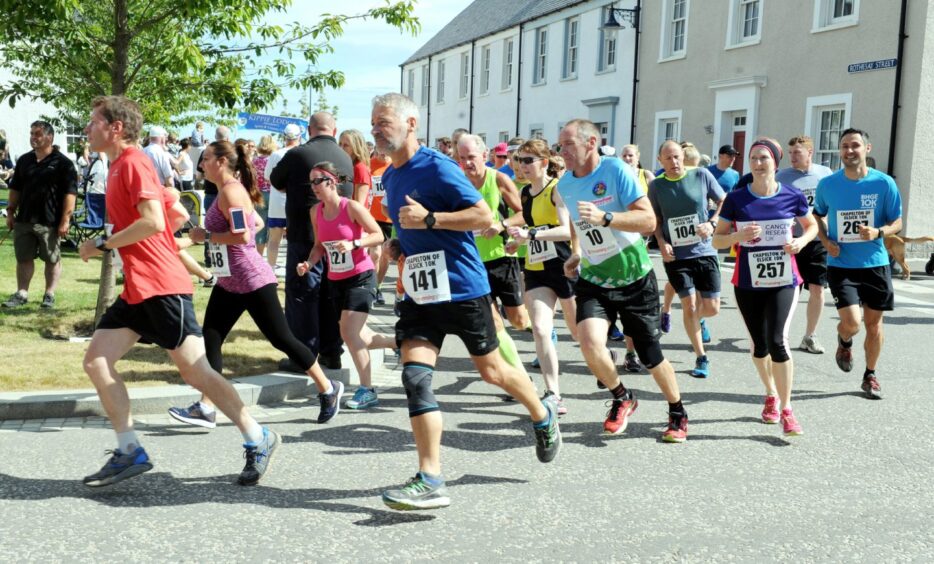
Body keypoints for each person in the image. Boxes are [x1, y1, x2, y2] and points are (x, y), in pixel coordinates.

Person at [77, 95, 279, 487]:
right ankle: (129, 448)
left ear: (115, 127)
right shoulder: (121, 165)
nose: (88, 129)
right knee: (97, 360)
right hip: (139, 288)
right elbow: (176, 212)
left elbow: (153, 221)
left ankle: (259, 436)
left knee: (197, 372)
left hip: (161, 286)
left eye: (93, 122)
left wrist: (103, 244)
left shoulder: (133, 163)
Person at [372, 92, 560, 511]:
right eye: (373, 123)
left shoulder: (438, 168)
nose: (376, 129)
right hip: (422, 294)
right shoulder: (392, 174)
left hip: (462, 287)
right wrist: (400, 245)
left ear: (411, 124)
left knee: (493, 371)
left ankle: (541, 413)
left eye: (383, 122)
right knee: (415, 378)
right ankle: (430, 477)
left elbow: (483, 217)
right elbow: (412, 225)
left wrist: (432, 220)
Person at [168, 141, 343, 427]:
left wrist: (206, 237)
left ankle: (328, 388)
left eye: (207, 159)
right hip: (230, 281)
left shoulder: (232, 192)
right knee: (211, 337)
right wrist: (187, 240)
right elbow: (253, 226)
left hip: (251, 280)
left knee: (282, 338)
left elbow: (242, 237)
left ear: (222, 161)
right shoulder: (229, 191)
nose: (201, 164)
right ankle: (206, 406)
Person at [556, 119, 688, 442]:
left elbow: (648, 220)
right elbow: (577, 220)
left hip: (634, 278)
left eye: (568, 145)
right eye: (560, 146)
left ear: (591, 143)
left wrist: (607, 217)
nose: (562, 152)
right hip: (595, 278)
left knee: (649, 355)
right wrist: (576, 251)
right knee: (588, 342)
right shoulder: (565, 184)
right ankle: (621, 396)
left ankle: (677, 410)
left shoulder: (615, 171)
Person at [712, 138, 817, 435]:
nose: (758, 164)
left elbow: (811, 226)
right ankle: (770, 392)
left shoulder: (792, 195)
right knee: (760, 346)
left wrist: (800, 241)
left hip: (785, 280)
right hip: (747, 281)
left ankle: (787, 408)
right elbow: (717, 240)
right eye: (754, 158)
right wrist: (737, 235)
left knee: (778, 341)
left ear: (775, 162)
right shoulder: (736, 199)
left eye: (764, 158)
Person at [298, 162, 395, 410]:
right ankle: (400, 342)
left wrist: (354, 243)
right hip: (336, 280)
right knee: (359, 336)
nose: (313, 187)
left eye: (317, 181)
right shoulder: (315, 212)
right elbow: (320, 245)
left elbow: (378, 235)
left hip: (361, 276)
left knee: (349, 333)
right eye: (310, 182)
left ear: (331, 182)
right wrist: (308, 263)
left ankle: (367, 390)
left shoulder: (350, 207)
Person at [813, 128, 902, 400]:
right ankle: (845, 340)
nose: (849, 151)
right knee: (852, 322)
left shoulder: (884, 183)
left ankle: (870, 375)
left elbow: (897, 221)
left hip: (875, 263)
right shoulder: (828, 185)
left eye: (855, 146)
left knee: (874, 325)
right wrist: (826, 241)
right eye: (844, 146)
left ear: (867, 148)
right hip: (842, 263)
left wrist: (878, 232)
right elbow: (816, 216)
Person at [270, 112, 352, 371]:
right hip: (338, 237)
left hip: (305, 235)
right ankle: (331, 351)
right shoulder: (345, 156)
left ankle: (303, 355)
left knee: (303, 294)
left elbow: (276, 182)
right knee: (331, 294)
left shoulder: (297, 154)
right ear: (334, 129)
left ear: (309, 129)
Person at [503, 139, 578, 414]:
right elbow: (531, 228)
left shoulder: (556, 190)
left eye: (527, 160)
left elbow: (565, 230)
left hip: (562, 265)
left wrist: (531, 234)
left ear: (543, 162)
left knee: (578, 332)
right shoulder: (524, 193)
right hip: (536, 270)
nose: (521, 165)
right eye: (519, 160)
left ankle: (606, 358)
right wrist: (518, 243)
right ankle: (553, 393)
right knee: (541, 329)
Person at [648, 141, 725, 378]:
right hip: (677, 256)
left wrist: (712, 223)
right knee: (689, 305)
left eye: (676, 157)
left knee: (711, 309)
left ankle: (697, 320)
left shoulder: (701, 175)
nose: (673, 162)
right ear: (660, 161)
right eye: (668, 159)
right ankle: (701, 356)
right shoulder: (657, 186)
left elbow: (724, 201)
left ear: (683, 156)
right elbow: (656, 220)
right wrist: (662, 243)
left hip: (704, 251)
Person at [458, 134, 531, 332]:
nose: (467, 163)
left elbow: (523, 214)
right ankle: (505, 363)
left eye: (471, 157)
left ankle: (542, 328)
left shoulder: (498, 179)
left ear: (484, 155)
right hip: (472, 261)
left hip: (502, 257)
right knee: (493, 322)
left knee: (519, 321)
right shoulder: (458, 183)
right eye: (462, 158)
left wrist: (500, 226)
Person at [3, 120, 77, 309]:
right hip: (24, 220)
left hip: (50, 221)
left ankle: (49, 294)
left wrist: (65, 220)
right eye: (32, 134)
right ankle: (22, 293)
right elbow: (15, 189)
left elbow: (70, 194)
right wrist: (10, 212)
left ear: (49, 137)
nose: (33, 138)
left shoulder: (63, 163)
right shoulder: (24, 160)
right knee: (23, 258)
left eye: (37, 134)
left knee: (52, 259)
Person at [775, 136, 834, 354]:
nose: (792, 157)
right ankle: (781, 334)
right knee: (791, 290)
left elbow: (832, 202)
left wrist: (829, 221)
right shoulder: (782, 177)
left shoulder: (825, 174)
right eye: (790, 153)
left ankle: (810, 336)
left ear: (810, 152)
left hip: (817, 240)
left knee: (818, 289)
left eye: (797, 152)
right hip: (791, 242)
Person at [263, 124, 301, 270]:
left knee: (274, 240)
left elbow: (268, 177)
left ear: (284, 137)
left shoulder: (276, 155)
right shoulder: (301, 153)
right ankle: (293, 268)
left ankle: (271, 269)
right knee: (295, 240)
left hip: (277, 203)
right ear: (299, 137)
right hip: (295, 203)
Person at [367, 147, 394, 304]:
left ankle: (377, 286)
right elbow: (349, 178)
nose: (383, 153)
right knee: (375, 254)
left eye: (386, 150)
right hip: (372, 216)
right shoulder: (369, 164)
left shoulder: (395, 166)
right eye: (380, 150)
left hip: (388, 218)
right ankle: (371, 288)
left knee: (385, 256)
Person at [252, 134, 277, 259]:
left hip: (258, 195)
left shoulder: (254, 160)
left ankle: (259, 257)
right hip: (272, 194)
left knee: (259, 227)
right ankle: (271, 258)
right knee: (273, 228)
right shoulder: (274, 159)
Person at [338, 129, 372, 205]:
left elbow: (359, 205)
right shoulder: (346, 166)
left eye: (346, 145)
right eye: (340, 144)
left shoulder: (360, 168)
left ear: (356, 148)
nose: (341, 148)